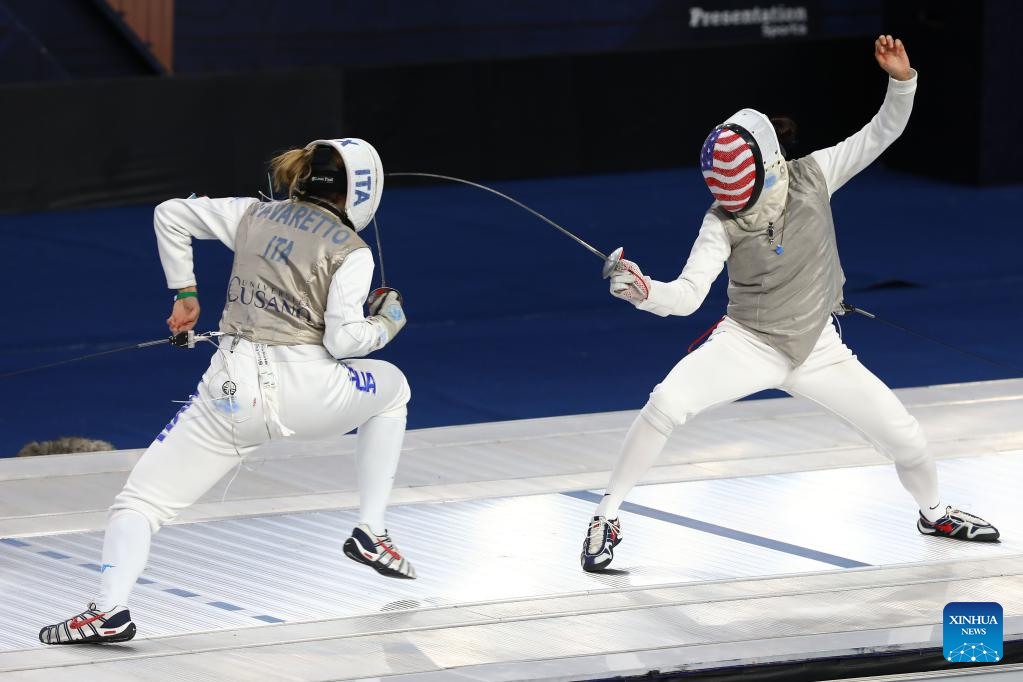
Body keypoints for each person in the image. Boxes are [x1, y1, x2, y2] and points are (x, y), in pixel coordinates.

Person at [580, 36, 1000, 572]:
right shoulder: (720, 221)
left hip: (818, 348)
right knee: (664, 404)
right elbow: (686, 298)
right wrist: (645, 292)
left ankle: (934, 512)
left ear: (769, 165)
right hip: (748, 342)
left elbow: (883, 131)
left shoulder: (814, 175)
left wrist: (902, 81)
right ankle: (606, 514)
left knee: (910, 442)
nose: (739, 207)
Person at [40, 137, 416, 645]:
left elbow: (171, 213)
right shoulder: (352, 252)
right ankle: (372, 532)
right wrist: (386, 322)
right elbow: (343, 339)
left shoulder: (253, 214)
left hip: (229, 393)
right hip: (309, 391)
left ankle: (109, 611)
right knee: (393, 390)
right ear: (361, 192)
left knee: (139, 503)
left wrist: (186, 293)